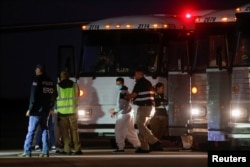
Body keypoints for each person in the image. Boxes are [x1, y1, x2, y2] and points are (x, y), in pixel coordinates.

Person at [18, 64, 57, 157]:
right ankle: (45, 151)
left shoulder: (37, 80)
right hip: (46, 111)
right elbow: (54, 95)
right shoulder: (50, 82)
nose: (35, 70)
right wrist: (51, 106)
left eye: (36, 69)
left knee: (31, 131)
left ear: (40, 70)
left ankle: (27, 151)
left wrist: (30, 109)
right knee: (45, 130)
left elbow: (33, 96)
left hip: (36, 111)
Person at [125, 67, 163, 153]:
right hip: (150, 108)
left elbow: (134, 94)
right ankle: (144, 147)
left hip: (144, 107)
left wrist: (125, 97)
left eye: (135, 74)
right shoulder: (148, 82)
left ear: (139, 74)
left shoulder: (140, 83)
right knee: (142, 127)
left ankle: (154, 142)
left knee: (140, 125)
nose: (134, 76)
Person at [109, 77, 141, 153]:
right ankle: (138, 145)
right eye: (117, 83)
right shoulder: (126, 91)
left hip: (123, 114)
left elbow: (121, 105)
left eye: (119, 83)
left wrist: (114, 111)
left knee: (119, 130)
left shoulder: (122, 92)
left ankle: (120, 147)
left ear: (122, 83)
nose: (117, 85)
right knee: (130, 130)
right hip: (129, 113)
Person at [56, 70, 82, 155]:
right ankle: (77, 149)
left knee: (65, 132)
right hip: (73, 111)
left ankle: (67, 149)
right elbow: (78, 95)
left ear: (61, 77)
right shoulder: (75, 85)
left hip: (62, 113)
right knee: (74, 130)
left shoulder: (57, 86)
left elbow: (54, 98)